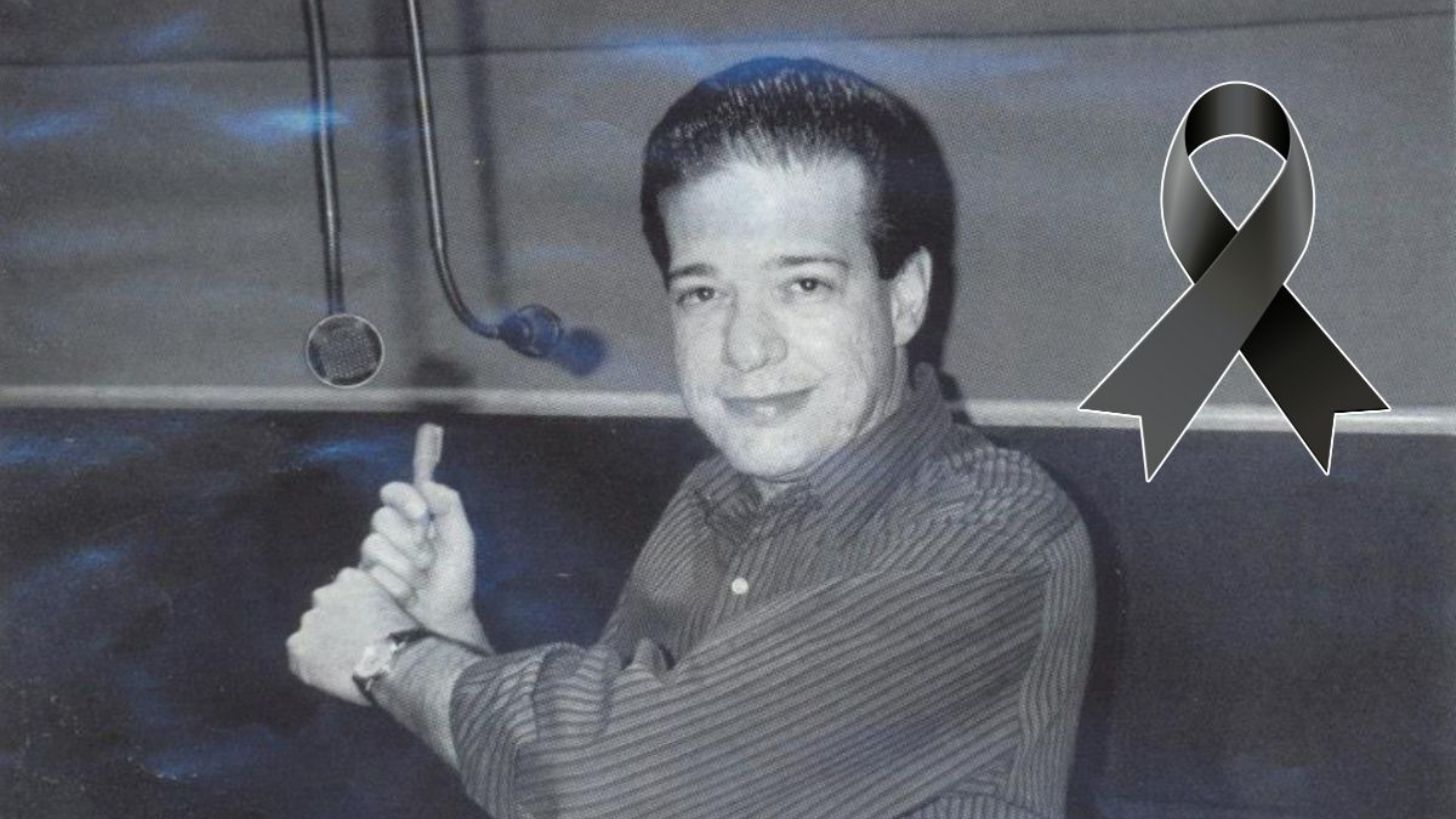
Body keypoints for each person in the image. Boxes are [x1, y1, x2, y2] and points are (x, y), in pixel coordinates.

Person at [288, 57, 1095, 818]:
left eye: (804, 283)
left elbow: (615, 781)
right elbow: (582, 791)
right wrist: (450, 631)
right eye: (703, 292)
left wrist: (389, 654)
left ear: (904, 296)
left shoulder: (994, 531)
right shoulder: (713, 497)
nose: (747, 347)